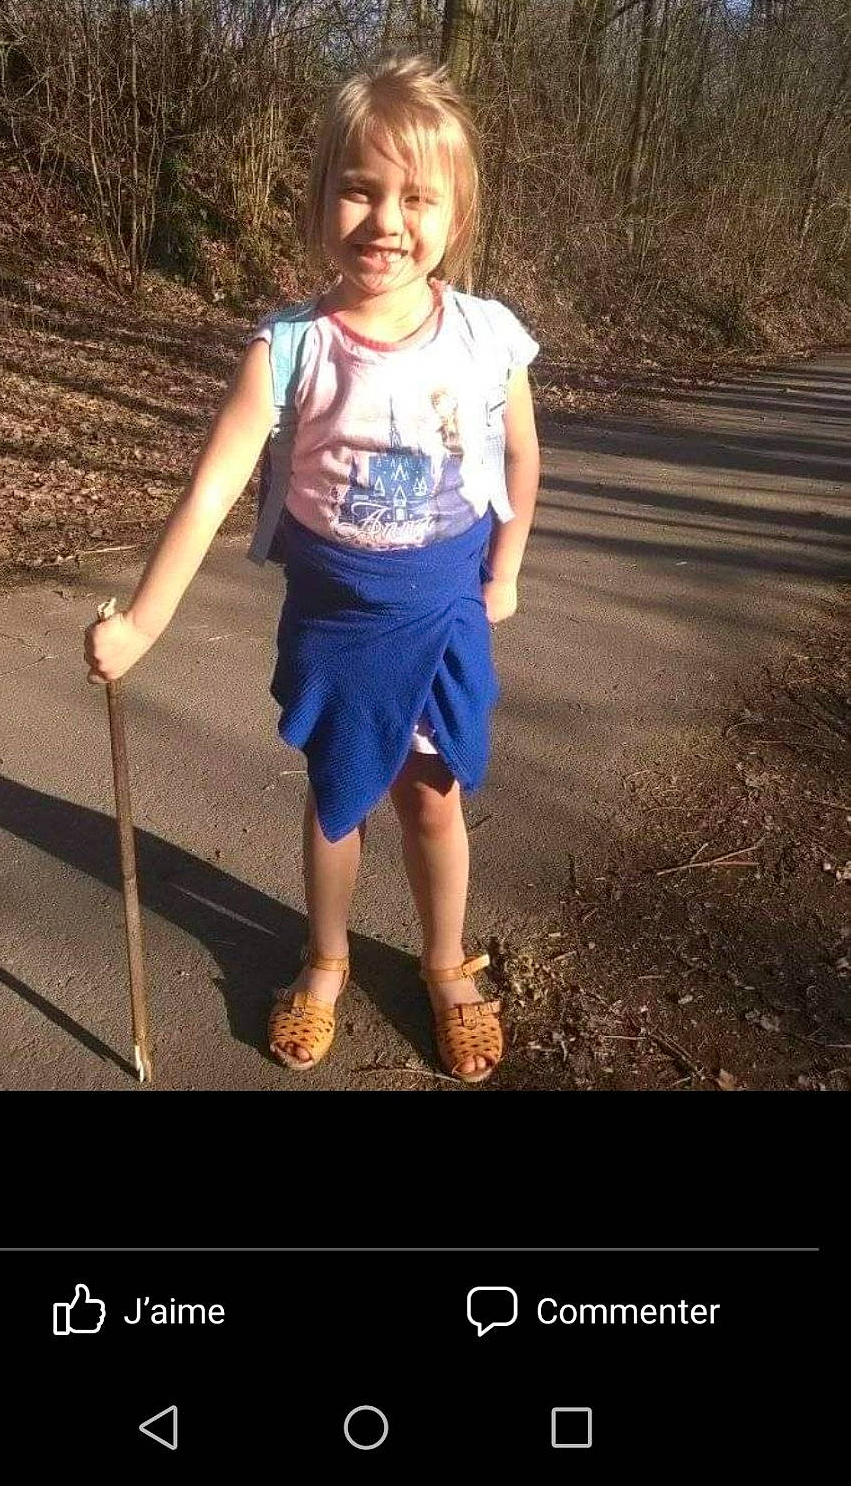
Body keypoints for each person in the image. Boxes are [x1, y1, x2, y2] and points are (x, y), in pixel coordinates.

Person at [84, 57, 541, 1082]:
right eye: (359, 187)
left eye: (416, 197)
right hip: (338, 612)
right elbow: (211, 488)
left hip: (446, 604)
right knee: (337, 792)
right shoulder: (289, 347)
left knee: (432, 791)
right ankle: (326, 957)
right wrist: (144, 626)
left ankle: (442, 962)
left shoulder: (485, 337)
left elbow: (518, 455)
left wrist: (504, 566)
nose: (386, 218)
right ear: (320, 200)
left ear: (456, 213)